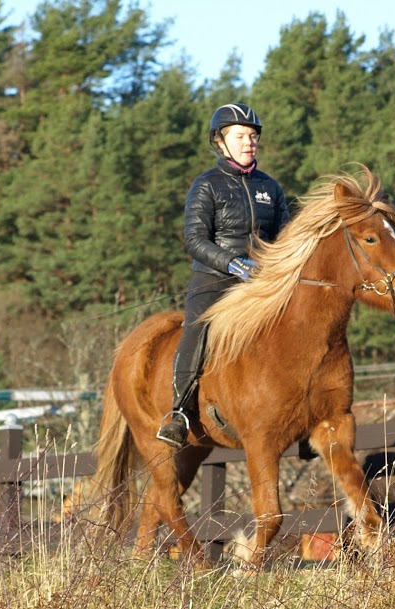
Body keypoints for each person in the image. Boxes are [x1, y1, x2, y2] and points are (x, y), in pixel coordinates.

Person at [156, 102, 291, 448]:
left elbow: (287, 235)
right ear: (220, 141)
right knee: (196, 328)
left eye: (253, 136)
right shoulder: (206, 186)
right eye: (241, 136)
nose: (249, 142)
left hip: (264, 279)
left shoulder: (271, 188)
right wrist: (233, 263)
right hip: (214, 277)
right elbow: (194, 239)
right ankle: (181, 411)